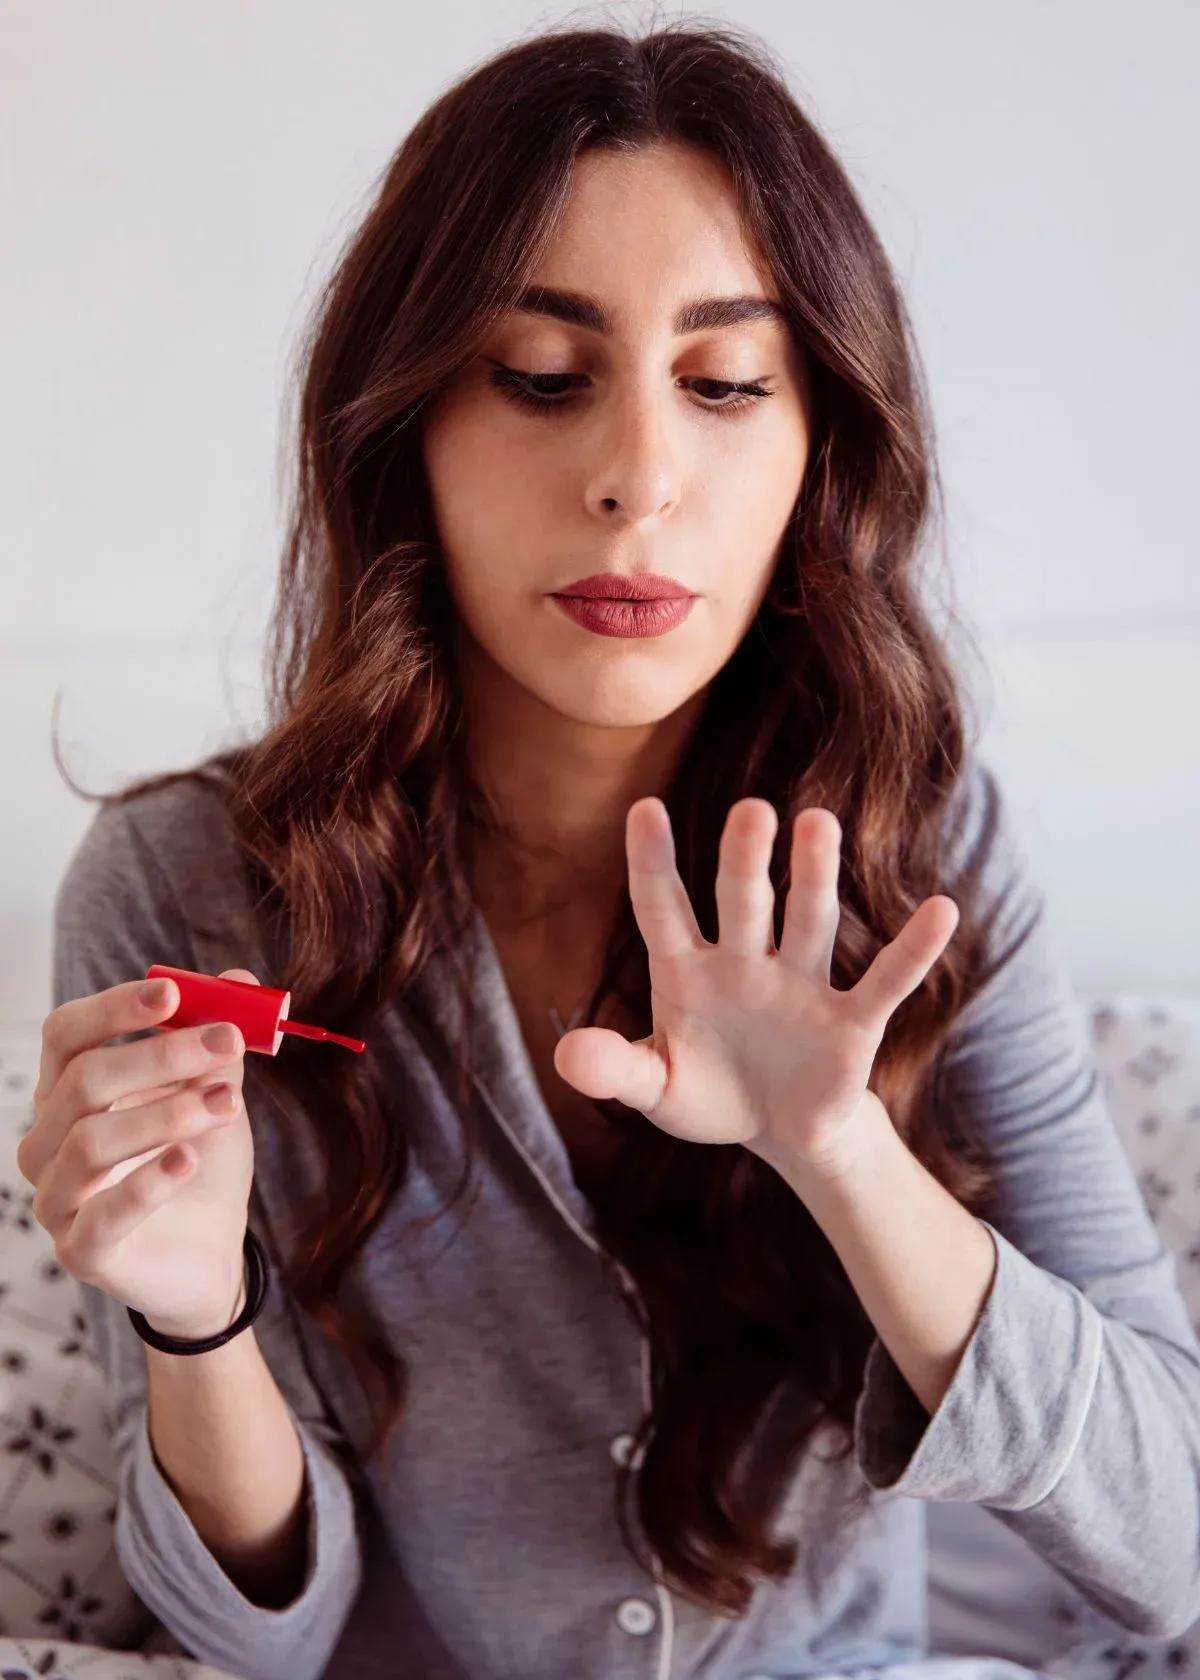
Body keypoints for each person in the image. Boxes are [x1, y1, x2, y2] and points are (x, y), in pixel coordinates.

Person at [23, 20, 1200, 1680]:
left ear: (819, 454)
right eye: (541, 380)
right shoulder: (177, 894)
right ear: (405, 430)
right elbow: (253, 1646)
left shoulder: (924, 855)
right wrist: (189, 1308)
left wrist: (844, 1155)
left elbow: (1176, 1550)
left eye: (726, 385)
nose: (640, 477)